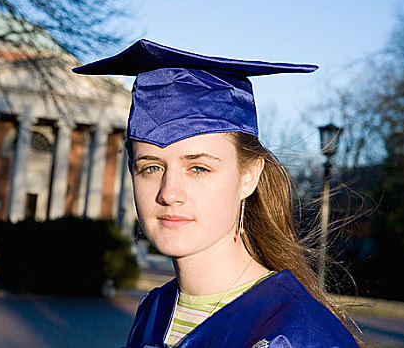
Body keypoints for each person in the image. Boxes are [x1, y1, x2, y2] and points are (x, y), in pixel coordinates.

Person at [73, 39, 360, 348]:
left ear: (249, 175)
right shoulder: (154, 311)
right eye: (151, 167)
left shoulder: (298, 334)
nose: (169, 193)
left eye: (198, 168)